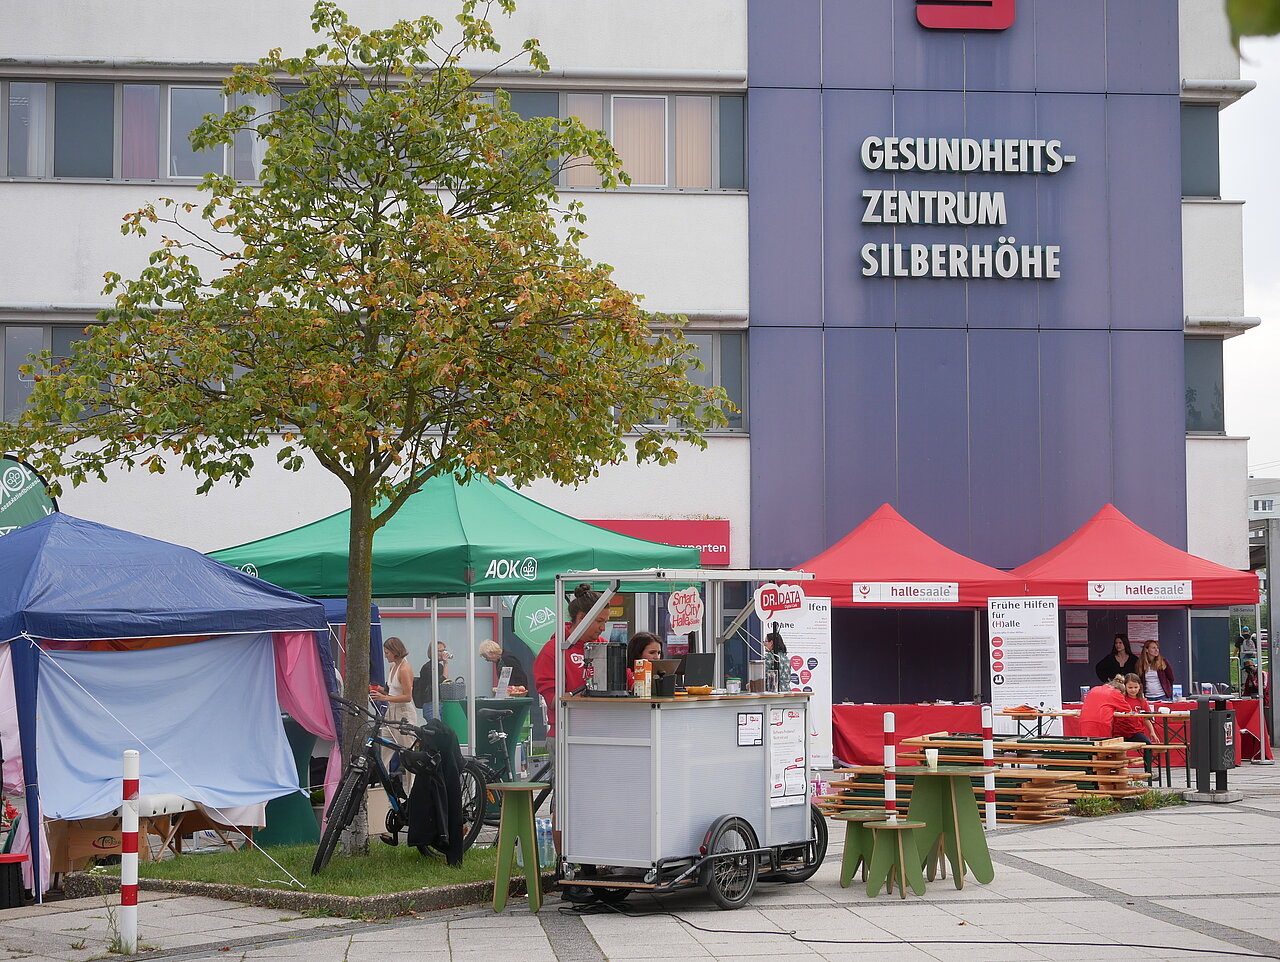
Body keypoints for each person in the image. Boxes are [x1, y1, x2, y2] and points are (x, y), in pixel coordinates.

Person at [533, 583, 612, 737]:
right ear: (581, 617)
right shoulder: (553, 650)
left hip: (603, 732)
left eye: (605, 622)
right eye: (599, 621)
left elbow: (626, 682)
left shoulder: (605, 646)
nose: (603, 628)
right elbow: (552, 701)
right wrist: (581, 697)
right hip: (565, 736)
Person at [370, 637, 418, 787]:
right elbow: (392, 691)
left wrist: (384, 697)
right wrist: (379, 690)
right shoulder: (393, 667)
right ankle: (382, 787)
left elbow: (408, 696)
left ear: (395, 651)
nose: (385, 656)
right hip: (391, 713)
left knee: (408, 754)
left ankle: (413, 790)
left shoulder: (404, 669)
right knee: (383, 754)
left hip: (404, 714)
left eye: (387, 653)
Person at [1112, 673, 1157, 744]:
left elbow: (1146, 718)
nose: (1133, 690)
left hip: (1136, 732)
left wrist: (1152, 732)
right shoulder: (1120, 698)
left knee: (1148, 744)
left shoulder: (1142, 701)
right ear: (1125, 687)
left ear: (1140, 687)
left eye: (1136, 687)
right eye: (1130, 688)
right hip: (1120, 732)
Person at [412, 642, 450, 721]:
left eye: (444, 650)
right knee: (436, 726)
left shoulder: (439, 666)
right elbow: (442, 680)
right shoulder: (429, 667)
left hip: (439, 703)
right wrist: (446, 663)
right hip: (430, 704)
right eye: (440, 651)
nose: (443, 653)